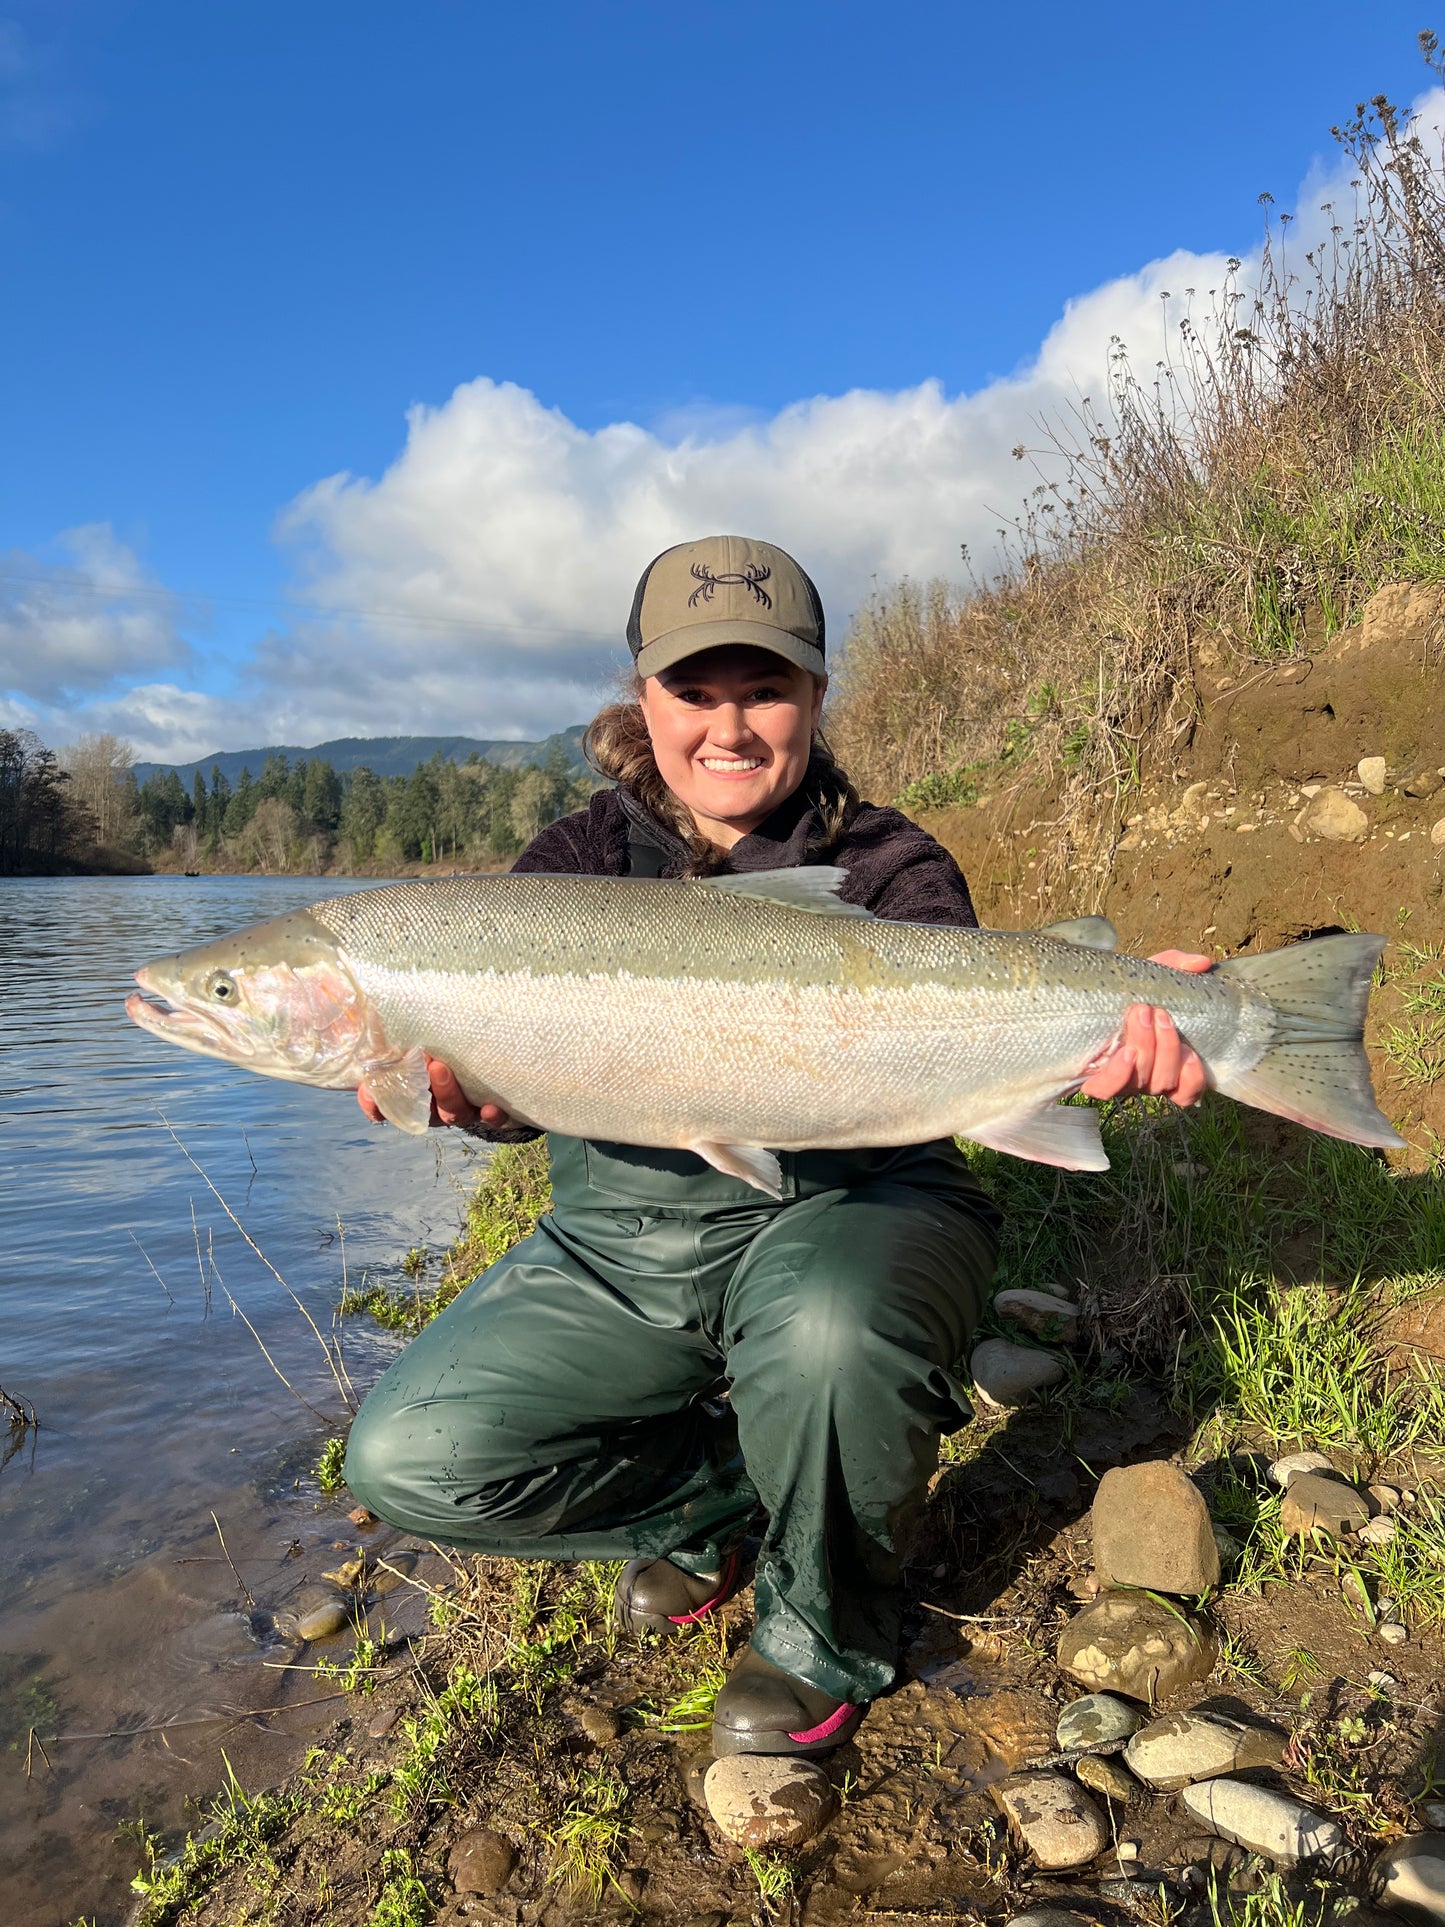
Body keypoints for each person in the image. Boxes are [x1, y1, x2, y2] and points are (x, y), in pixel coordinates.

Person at [342, 534, 1209, 1758]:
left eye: (764, 688)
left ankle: (822, 1624)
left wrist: (1118, 1021)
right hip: (627, 1247)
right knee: (406, 1457)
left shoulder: (888, 862)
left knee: (826, 1328)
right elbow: (529, 1080)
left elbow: (968, 1043)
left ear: (812, 694)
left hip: (855, 1214)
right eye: (693, 691)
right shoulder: (575, 866)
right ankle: (732, 1497)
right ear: (641, 702)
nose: (727, 725)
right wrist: (489, 1105)